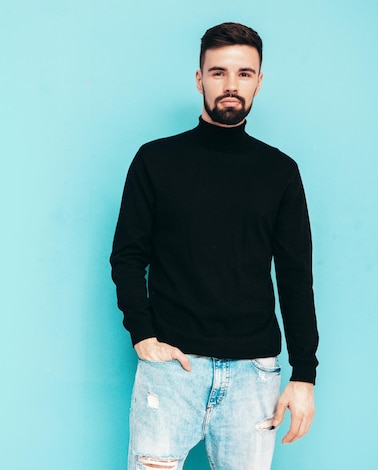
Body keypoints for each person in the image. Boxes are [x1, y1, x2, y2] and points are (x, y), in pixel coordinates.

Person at [110, 22, 318, 470]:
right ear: (199, 78)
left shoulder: (280, 172)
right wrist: (143, 335)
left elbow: (296, 275)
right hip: (172, 372)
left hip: (254, 377)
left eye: (244, 74)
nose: (231, 85)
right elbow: (128, 255)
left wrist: (305, 375)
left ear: (259, 81)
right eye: (218, 72)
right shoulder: (156, 160)